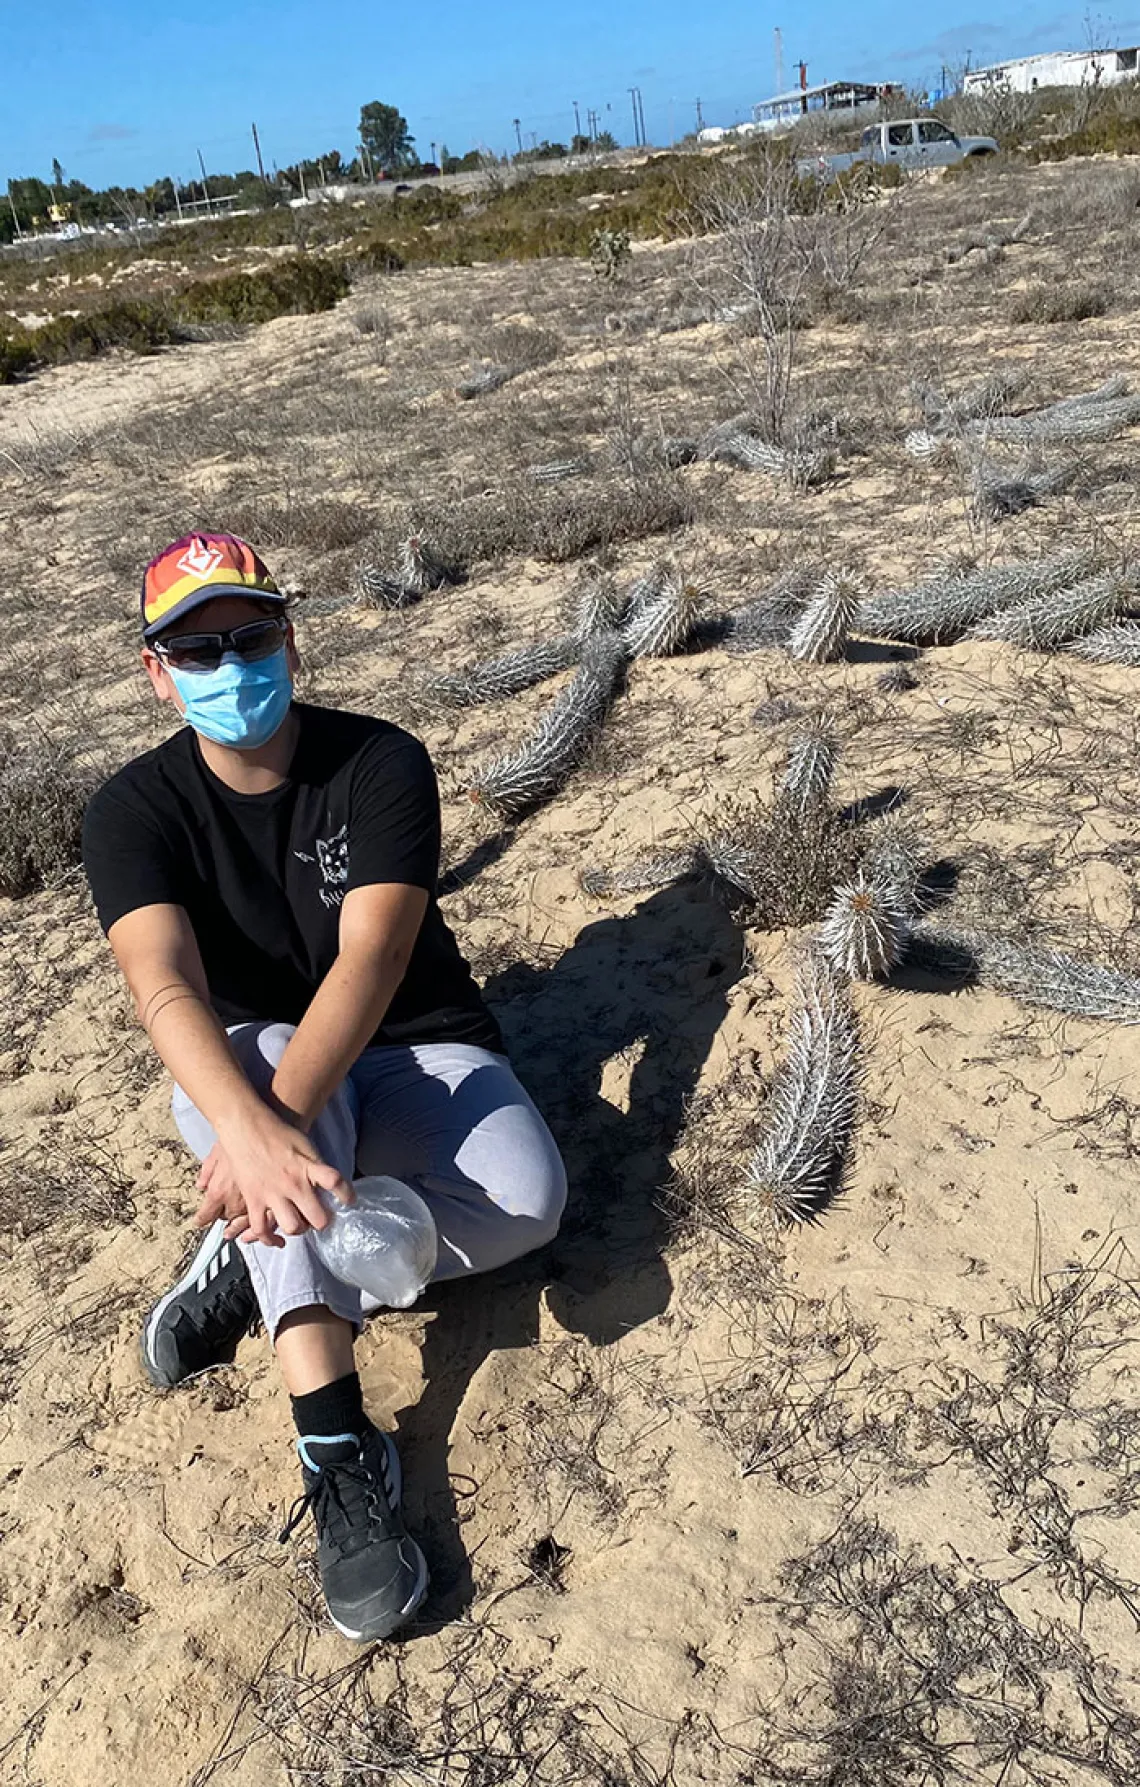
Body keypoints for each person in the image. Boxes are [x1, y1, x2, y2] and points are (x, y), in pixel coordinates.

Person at [81, 533, 567, 1642]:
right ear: (157, 673)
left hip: (405, 1045)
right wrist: (255, 1128)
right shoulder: (130, 812)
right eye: (195, 650)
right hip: (247, 1070)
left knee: (529, 1202)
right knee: (257, 1064)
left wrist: (271, 1149)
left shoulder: (378, 763)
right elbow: (161, 982)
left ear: (290, 638)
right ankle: (338, 1442)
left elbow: (374, 961)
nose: (230, 666)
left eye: (250, 636)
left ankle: (252, 1253)